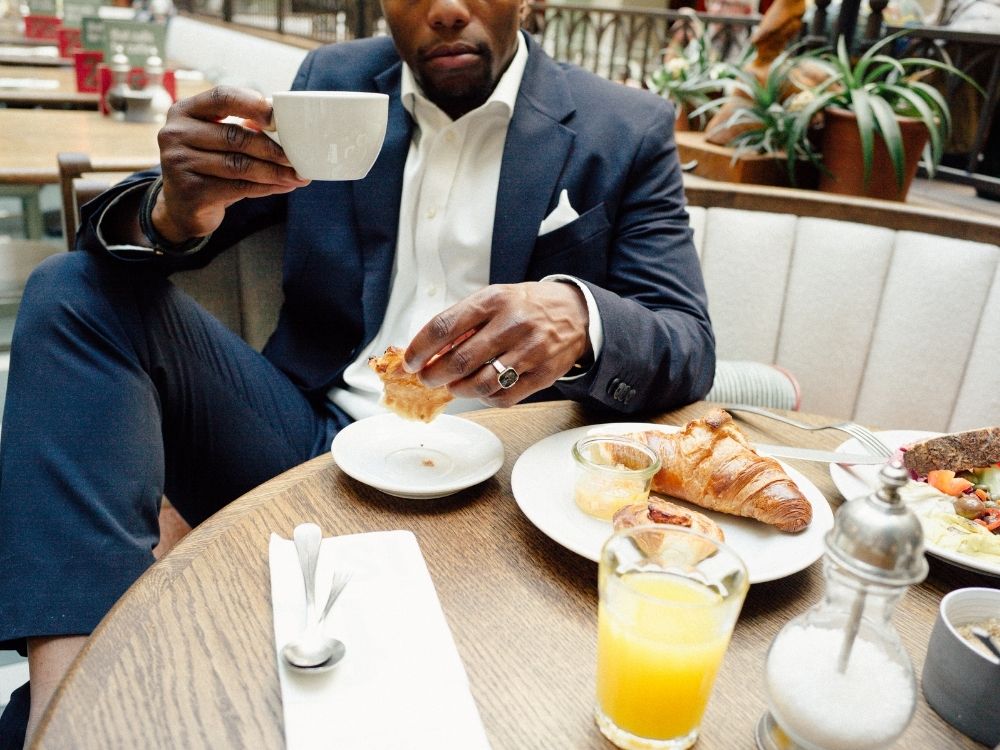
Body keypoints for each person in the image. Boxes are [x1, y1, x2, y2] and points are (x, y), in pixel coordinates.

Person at [0, 0, 715, 743]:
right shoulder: (333, 86)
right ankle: (67, 710)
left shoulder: (623, 126)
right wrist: (177, 206)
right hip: (303, 445)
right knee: (67, 292)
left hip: (507, 480)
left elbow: (687, 341)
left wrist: (581, 311)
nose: (444, 9)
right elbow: (174, 222)